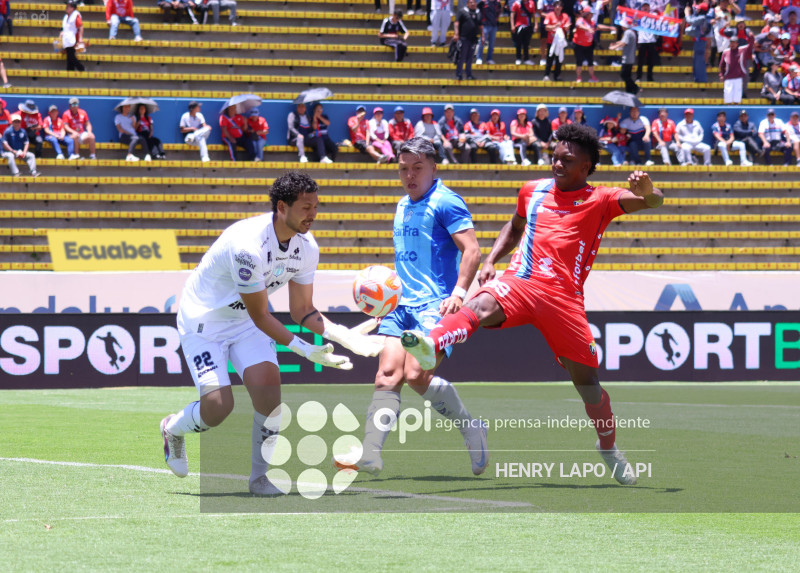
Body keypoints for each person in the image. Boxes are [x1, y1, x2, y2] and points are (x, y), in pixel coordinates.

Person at [401, 123, 665, 486]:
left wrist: (648, 191)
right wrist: (492, 260)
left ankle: (608, 447)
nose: (557, 164)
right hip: (521, 281)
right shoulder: (532, 190)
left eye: (566, 160)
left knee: (589, 385)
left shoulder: (602, 198)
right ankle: (432, 342)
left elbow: (653, 201)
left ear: (586, 167)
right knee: (478, 306)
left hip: (563, 300)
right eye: (554, 157)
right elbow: (514, 227)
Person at [159, 172, 384, 496]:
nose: (313, 214)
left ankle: (259, 478)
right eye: (305, 207)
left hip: (246, 323)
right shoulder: (247, 247)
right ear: (281, 207)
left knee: (270, 397)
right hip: (204, 323)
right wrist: (305, 349)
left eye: (316, 206)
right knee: (218, 408)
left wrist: (342, 335)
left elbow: (302, 309)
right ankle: (172, 428)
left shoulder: (307, 247)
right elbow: (261, 315)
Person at [334, 138, 487, 478]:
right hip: (401, 306)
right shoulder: (402, 205)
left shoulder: (447, 202)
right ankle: (371, 453)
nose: (410, 175)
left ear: (434, 167)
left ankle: (471, 428)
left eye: (418, 168)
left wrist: (459, 293)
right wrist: (386, 300)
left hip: (437, 305)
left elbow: (473, 251)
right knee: (387, 375)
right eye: (404, 169)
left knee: (417, 375)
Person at [573, 3, 614, 83]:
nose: (592, 15)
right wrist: (588, 29)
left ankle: (592, 76)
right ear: (586, 14)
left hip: (588, 45)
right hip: (579, 44)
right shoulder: (580, 20)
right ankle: (579, 77)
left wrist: (609, 28)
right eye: (590, 14)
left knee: (590, 62)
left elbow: (598, 27)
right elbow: (579, 25)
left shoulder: (592, 22)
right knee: (579, 62)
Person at [719, 33, 755, 105]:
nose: (732, 44)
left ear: (737, 43)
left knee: (737, 96)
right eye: (731, 43)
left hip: (739, 77)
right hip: (728, 77)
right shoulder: (726, 52)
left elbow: (750, 46)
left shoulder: (742, 50)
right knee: (728, 94)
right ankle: (729, 108)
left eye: (734, 43)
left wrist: (751, 37)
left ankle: (736, 108)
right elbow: (722, 65)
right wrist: (721, 75)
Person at [454, 0, 482, 80]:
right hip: (464, 38)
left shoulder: (478, 13)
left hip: (473, 38)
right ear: (467, 4)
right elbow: (456, 23)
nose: (473, 4)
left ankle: (469, 74)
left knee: (470, 58)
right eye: (471, 2)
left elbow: (480, 25)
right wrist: (456, 33)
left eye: (474, 2)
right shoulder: (462, 11)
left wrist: (483, 36)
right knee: (462, 57)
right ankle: (459, 74)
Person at [543, 0, 570, 81]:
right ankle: (546, 75)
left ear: (562, 8)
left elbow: (567, 27)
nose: (558, 8)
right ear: (554, 7)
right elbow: (546, 27)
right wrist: (555, 26)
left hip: (560, 42)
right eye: (556, 7)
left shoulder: (565, 16)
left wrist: (567, 27)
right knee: (550, 58)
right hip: (551, 41)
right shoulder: (550, 15)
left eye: (559, 6)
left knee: (559, 59)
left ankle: (557, 75)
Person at [685, 2, 712, 83]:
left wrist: (687, 13)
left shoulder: (702, 17)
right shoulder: (701, 17)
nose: (696, 10)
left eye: (698, 9)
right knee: (696, 61)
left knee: (699, 61)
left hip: (700, 41)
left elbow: (690, 21)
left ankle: (701, 80)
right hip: (699, 41)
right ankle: (697, 78)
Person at [610, 16, 638, 93]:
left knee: (623, 75)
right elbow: (623, 41)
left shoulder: (627, 32)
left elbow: (624, 42)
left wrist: (614, 47)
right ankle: (629, 90)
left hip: (627, 58)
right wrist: (616, 43)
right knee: (627, 75)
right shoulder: (631, 32)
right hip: (630, 57)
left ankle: (635, 87)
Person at [635, 2, 659, 83]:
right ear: (641, 8)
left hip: (651, 40)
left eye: (647, 6)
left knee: (651, 61)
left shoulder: (654, 15)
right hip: (642, 41)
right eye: (644, 6)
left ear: (649, 8)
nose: (645, 8)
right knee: (640, 61)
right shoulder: (638, 15)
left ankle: (650, 77)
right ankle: (638, 77)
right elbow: (633, 24)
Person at [61, 1, 85, 72]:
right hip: (67, 39)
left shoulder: (75, 15)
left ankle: (81, 68)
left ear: (73, 8)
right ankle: (70, 70)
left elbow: (80, 26)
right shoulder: (66, 17)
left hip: (73, 38)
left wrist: (80, 38)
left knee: (71, 56)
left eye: (68, 6)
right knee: (69, 57)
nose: (66, 7)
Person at [510, 0, 536, 65]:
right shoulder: (516, 3)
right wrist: (512, 25)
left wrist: (536, 24)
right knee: (518, 43)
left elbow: (533, 14)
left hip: (528, 25)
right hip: (519, 25)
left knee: (526, 43)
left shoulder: (531, 3)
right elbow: (512, 14)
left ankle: (526, 59)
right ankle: (518, 58)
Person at [476, 0, 502, 65]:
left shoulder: (497, 2)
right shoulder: (483, 2)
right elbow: (476, 9)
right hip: (485, 25)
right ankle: (479, 58)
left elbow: (499, 11)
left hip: (494, 25)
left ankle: (489, 59)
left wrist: (496, 19)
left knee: (492, 43)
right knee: (482, 42)